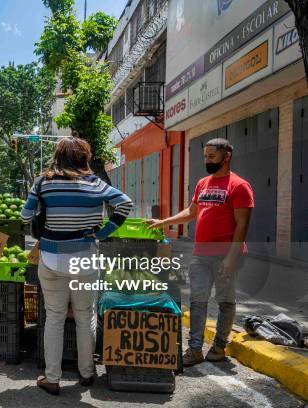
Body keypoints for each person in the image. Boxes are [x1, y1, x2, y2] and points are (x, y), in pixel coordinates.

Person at [21, 137, 133, 395]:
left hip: (51, 258)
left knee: (55, 317)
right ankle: (86, 373)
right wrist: (103, 232)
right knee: (85, 316)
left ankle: (52, 378)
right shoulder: (96, 183)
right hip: (86, 257)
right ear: (84, 157)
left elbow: (26, 216)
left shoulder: (43, 183)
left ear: (58, 156)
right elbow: (124, 203)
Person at [147, 138, 253, 366]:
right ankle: (194, 349)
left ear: (227, 157)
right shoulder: (203, 183)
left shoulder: (239, 186)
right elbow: (192, 211)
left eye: (212, 156)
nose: (207, 160)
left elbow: (242, 224)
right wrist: (164, 221)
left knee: (225, 301)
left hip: (227, 254)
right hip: (200, 253)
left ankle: (219, 346)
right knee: (198, 300)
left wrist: (231, 258)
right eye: (205, 156)